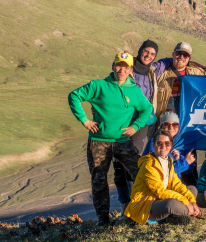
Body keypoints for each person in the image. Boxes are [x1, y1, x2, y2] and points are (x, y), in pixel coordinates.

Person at [67, 52, 153, 226]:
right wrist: (85, 120)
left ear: (130, 70)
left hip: (123, 142)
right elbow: (74, 96)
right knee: (99, 179)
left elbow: (147, 109)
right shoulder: (99, 86)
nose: (121, 69)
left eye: (126, 67)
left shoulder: (134, 91)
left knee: (140, 173)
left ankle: (138, 213)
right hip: (99, 141)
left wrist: (135, 126)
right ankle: (103, 220)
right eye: (118, 65)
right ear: (113, 66)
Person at [124, 130, 206, 225]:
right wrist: (186, 202)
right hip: (148, 203)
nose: (163, 146)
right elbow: (160, 191)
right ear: (154, 145)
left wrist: (191, 201)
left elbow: (177, 185)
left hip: (162, 198)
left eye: (167, 143)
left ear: (171, 145)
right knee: (171, 204)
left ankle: (175, 216)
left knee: (192, 189)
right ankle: (197, 212)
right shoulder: (149, 164)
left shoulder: (168, 161)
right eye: (159, 143)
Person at [114, 39, 164, 211]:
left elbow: (173, 61)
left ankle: (135, 203)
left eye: (152, 54)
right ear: (140, 50)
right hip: (122, 120)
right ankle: (125, 204)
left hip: (141, 122)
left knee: (132, 159)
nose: (148, 56)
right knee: (119, 164)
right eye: (146, 51)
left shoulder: (154, 69)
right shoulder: (127, 67)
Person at [144, 110, 197, 185]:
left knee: (194, 191)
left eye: (175, 124)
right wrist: (185, 162)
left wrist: (179, 160)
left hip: (176, 182)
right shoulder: (156, 142)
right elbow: (162, 170)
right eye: (166, 124)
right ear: (161, 125)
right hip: (158, 184)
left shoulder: (183, 142)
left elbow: (188, 170)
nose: (171, 127)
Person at [155, 42, 203, 114]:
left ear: (189, 58)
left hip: (186, 117)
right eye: (178, 54)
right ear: (173, 55)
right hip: (164, 119)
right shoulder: (160, 74)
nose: (181, 57)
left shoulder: (196, 73)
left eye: (185, 55)